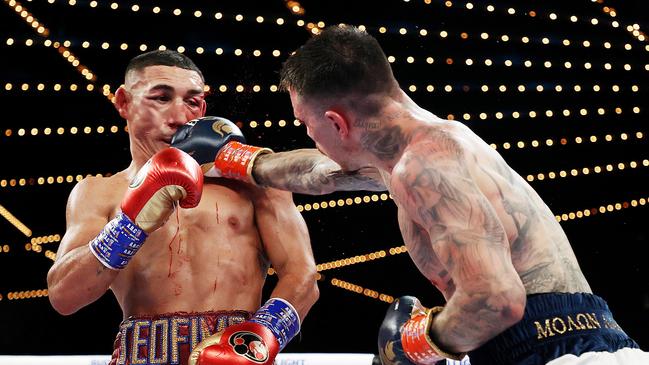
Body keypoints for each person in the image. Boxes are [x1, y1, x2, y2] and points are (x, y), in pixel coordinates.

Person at [171, 26, 649, 365]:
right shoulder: (427, 144)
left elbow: (497, 299)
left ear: (336, 121)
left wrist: (413, 346)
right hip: (566, 340)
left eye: (308, 124)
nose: (311, 135)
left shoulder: (426, 165)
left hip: (552, 350)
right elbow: (326, 173)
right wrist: (238, 159)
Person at [46, 50, 319, 365]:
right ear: (123, 102)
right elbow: (64, 296)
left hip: (234, 356)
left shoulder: (253, 185)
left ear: (202, 109)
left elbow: (303, 278)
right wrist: (130, 224)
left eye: (192, 102)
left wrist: (256, 339)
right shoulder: (98, 192)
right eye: (161, 98)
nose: (179, 118)